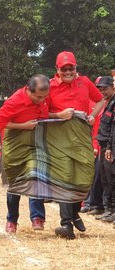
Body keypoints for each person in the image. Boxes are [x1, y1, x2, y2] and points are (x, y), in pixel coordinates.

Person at [47, 51, 103, 239]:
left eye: (71, 68)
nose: (68, 72)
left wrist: (93, 116)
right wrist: (59, 115)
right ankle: (66, 225)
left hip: (81, 137)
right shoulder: (50, 86)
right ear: (57, 70)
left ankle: (74, 213)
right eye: (64, 69)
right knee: (65, 179)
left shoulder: (85, 82)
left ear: (75, 68)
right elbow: (42, 111)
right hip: (59, 138)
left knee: (82, 178)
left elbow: (101, 99)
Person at [0, 74, 50, 233]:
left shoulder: (43, 97)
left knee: (36, 176)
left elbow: (46, 115)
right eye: (38, 97)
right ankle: (12, 220)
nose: (42, 100)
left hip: (34, 142)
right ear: (29, 90)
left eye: (45, 97)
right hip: (15, 143)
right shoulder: (14, 101)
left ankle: (37, 217)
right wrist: (23, 125)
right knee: (16, 184)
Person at [94, 76, 115, 222]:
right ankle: (108, 209)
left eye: (105, 89)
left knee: (112, 179)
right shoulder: (107, 104)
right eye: (101, 90)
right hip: (103, 146)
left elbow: (112, 129)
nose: (103, 92)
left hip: (110, 146)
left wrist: (109, 147)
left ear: (112, 87)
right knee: (105, 179)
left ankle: (112, 209)